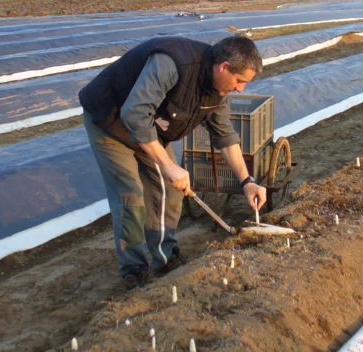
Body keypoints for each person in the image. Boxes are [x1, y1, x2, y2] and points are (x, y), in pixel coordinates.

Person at [78, 35, 267, 290]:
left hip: (150, 130)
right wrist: (168, 166)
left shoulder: (217, 91)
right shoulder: (172, 63)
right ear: (224, 67)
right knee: (131, 196)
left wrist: (247, 181)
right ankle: (134, 271)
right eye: (239, 80)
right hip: (111, 124)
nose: (241, 89)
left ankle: (165, 258)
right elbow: (134, 115)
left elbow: (224, 135)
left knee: (170, 193)